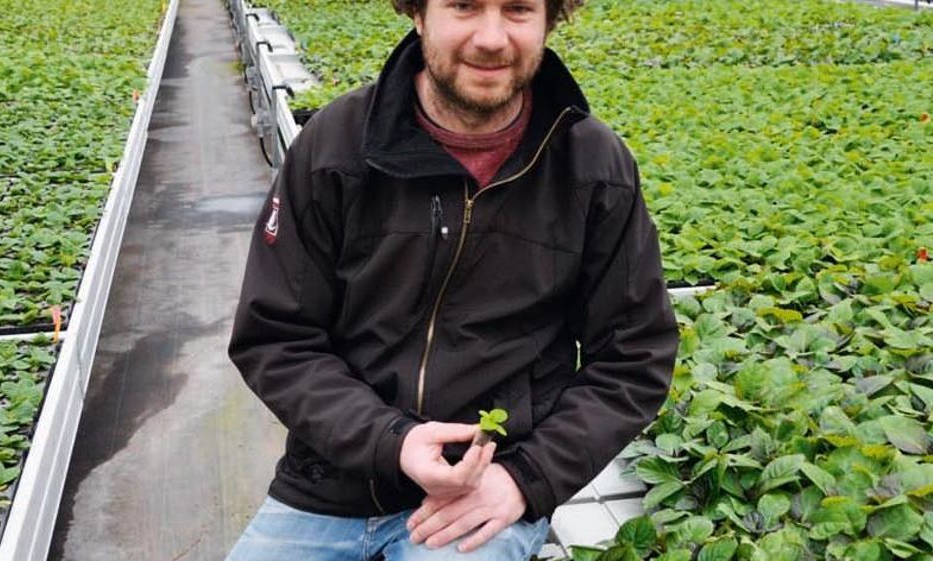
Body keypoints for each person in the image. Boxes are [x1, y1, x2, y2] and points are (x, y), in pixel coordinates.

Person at [226, 0, 678, 559]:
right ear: (418, 12)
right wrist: (391, 441)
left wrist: (525, 478)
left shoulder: (591, 167)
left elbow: (634, 355)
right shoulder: (335, 147)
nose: (492, 37)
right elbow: (276, 336)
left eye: (518, 9)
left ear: (550, 19)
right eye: (464, 5)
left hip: (488, 488)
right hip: (332, 483)